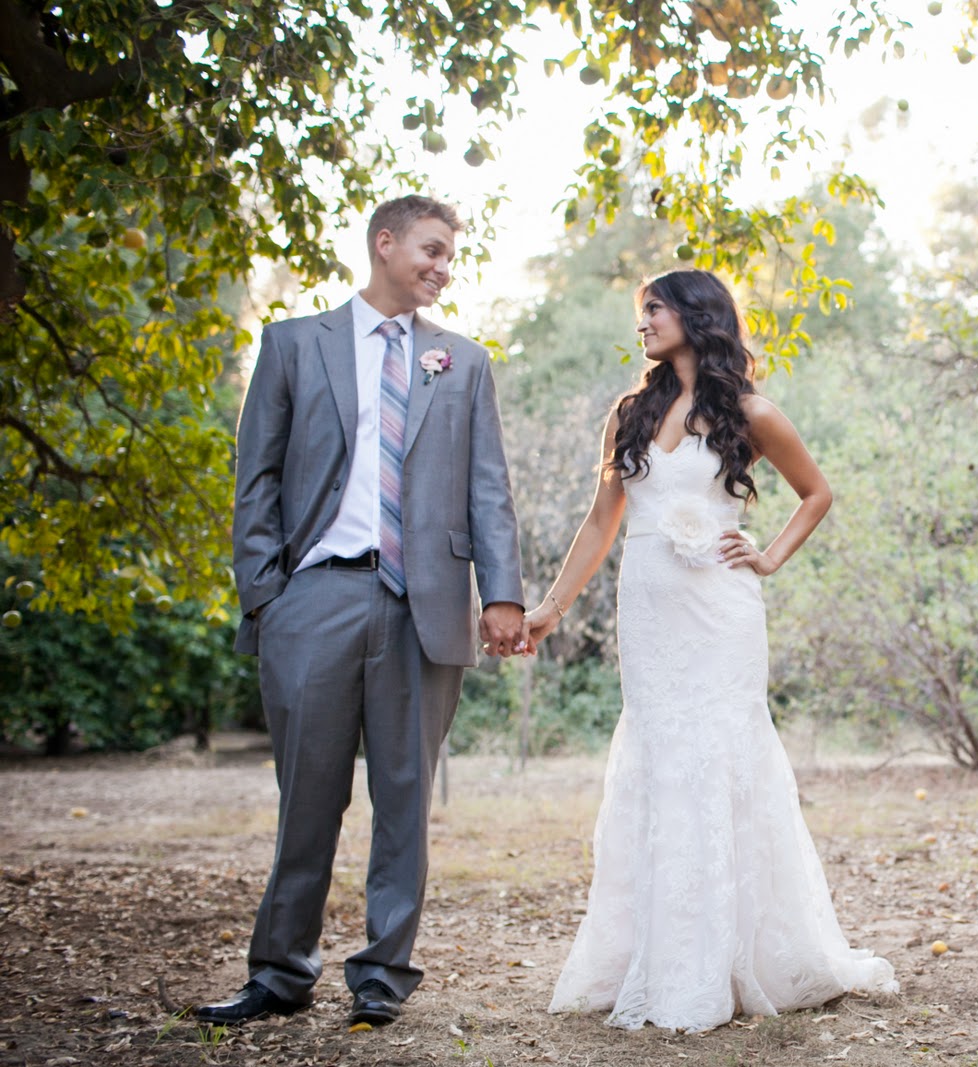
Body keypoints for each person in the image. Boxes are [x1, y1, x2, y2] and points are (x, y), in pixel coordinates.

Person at [523, 269, 897, 1032]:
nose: (643, 322)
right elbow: (601, 522)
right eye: (641, 312)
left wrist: (769, 556)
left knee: (720, 759)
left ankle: (728, 958)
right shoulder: (629, 413)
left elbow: (817, 492)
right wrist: (550, 609)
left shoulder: (750, 412)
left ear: (697, 315)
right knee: (659, 761)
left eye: (654, 308)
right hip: (649, 614)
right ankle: (657, 954)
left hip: (721, 614)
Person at [198, 195, 526, 1028]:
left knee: (405, 798)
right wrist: (266, 594)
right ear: (385, 243)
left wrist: (503, 593)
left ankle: (383, 974)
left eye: (449, 255)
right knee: (307, 797)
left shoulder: (463, 361)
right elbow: (255, 479)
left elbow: (489, 486)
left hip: (424, 604)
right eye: (431, 249)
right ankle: (279, 971)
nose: (443, 267)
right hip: (312, 598)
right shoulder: (291, 344)